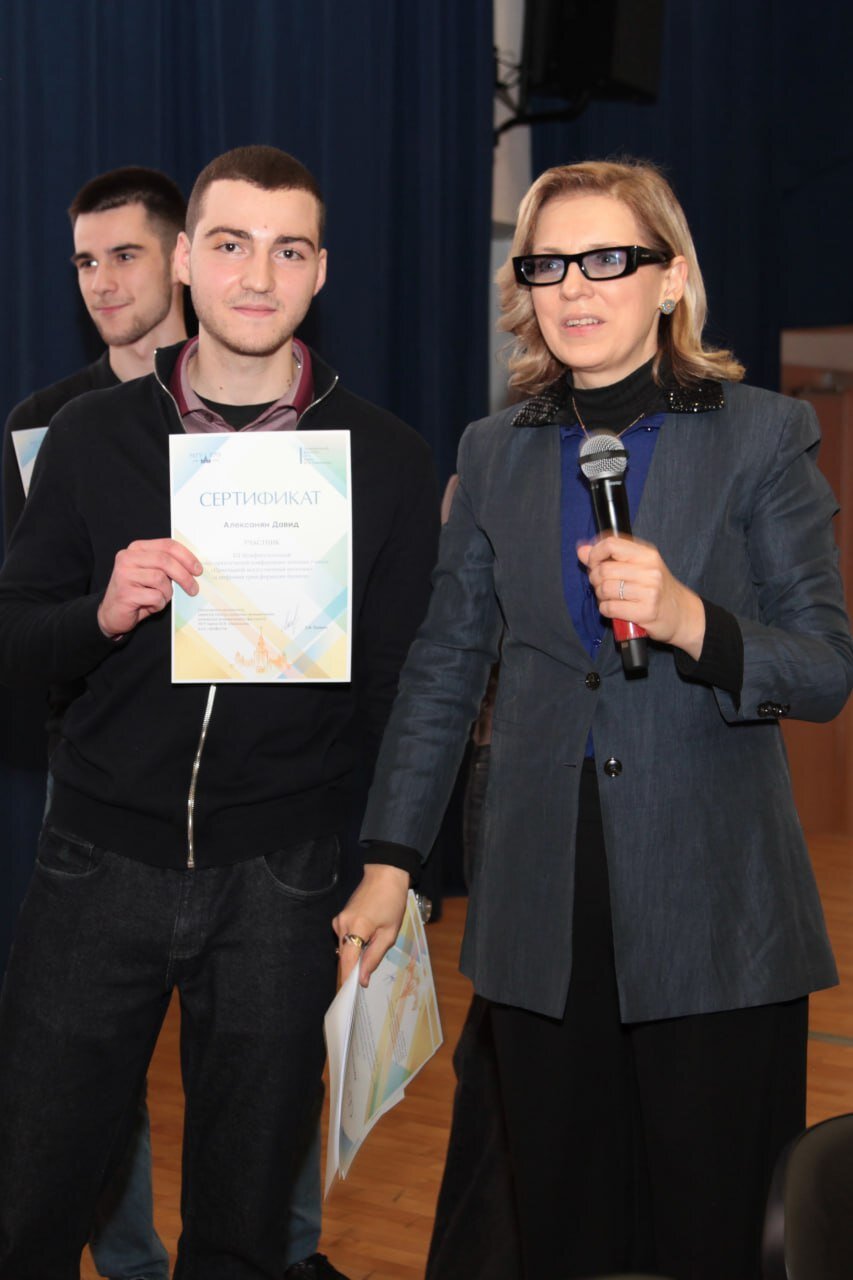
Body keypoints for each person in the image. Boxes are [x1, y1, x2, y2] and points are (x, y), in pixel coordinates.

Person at [342, 159, 853, 1280]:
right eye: (547, 265)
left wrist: (688, 619)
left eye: (607, 259)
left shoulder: (762, 435)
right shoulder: (492, 450)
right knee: (562, 1227)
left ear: (670, 279)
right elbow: (442, 668)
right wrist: (388, 862)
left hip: (715, 909)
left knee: (713, 1229)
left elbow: (824, 670)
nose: (573, 286)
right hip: (539, 901)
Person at [0, 144, 438, 1280]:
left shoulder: (386, 460)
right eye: (232, 244)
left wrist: (392, 863)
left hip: (281, 880)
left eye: (288, 251)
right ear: (188, 260)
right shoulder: (90, 436)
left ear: (319, 272)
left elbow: (406, 687)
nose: (257, 275)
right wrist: (98, 613)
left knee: (245, 1227)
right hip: (96, 862)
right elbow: (14, 636)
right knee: (29, 1193)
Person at [0, 164, 187, 1280]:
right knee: (95, 1050)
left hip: (245, 772)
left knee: (258, 1042)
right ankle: (128, 1260)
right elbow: (26, 617)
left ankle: (279, 1252)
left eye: (125, 255)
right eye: (84, 262)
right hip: (97, 769)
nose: (102, 281)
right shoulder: (42, 425)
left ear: (181, 258)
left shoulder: (253, 402)